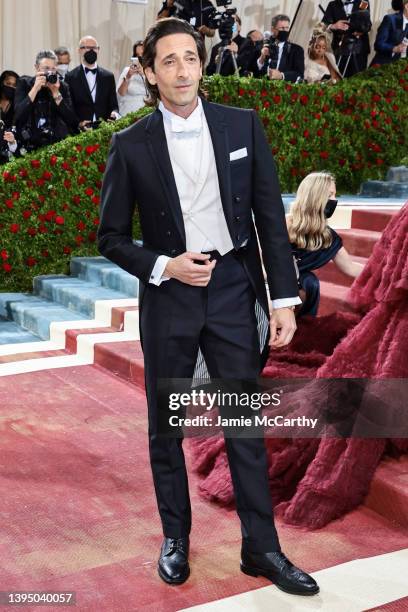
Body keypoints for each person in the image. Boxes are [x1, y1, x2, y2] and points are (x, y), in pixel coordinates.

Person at [98, 16, 319, 597]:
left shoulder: (241, 123)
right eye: (168, 61)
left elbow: (270, 217)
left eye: (190, 58)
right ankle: (175, 538)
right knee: (167, 425)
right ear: (149, 72)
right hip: (170, 295)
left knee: (244, 422)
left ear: (202, 63)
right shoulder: (129, 145)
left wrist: (283, 298)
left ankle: (262, 548)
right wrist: (164, 266)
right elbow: (110, 236)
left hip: (230, 291)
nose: (182, 70)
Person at [287, 172, 363, 316]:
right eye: (329, 196)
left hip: (300, 288)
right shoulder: (283, 225)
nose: (334, 200)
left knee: (310, 282)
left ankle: (303, 329)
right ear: (315, 197)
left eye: (335, 195)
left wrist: (384, 272)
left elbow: (350, 268)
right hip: (270, 286)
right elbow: (261, 265)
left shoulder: (328, 236)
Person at [14, 50, 77, 151]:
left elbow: (72, 120)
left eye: (53, 69)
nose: (50, 72)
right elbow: (18, 115)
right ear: (37, 68)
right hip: (30, 145)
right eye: (46, 68)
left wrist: (56, 93)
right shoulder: (24, 83)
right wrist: (35, 89)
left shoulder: (62, 87)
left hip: (56, 144)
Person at [65, 35, 119, 130]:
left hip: (105, 129)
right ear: (80, 51)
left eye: (94, 48)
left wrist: (114, 114)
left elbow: (114, 105)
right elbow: (69, 107)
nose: (91, 51)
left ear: (98, 50)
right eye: (87, 48)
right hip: (81, 132)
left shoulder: (108, 76)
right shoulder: (70, 77)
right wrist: (79, 123)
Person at [323, 0, 372, 77]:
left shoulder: (363, 2)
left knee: (358, 80)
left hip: (359, 49)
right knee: (337, 79)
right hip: (339, 49)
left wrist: (361, 31)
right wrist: (334, 26)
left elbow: (368, 24)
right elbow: (323, 25)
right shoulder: (332, 4)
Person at [256, 15, 304, 82]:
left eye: (286, 28)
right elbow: (253, 68)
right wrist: (262, 57)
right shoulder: (261, 44)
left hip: (284, 89)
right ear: (273, 29)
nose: (284, 31)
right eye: (282, 28)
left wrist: (281, 76)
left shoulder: (296, 50)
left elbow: (299, 74)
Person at [371, 0, 408, 65]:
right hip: (382, 66)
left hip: (401, 68)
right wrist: (394, 48)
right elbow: (378, 44)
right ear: (406, 6)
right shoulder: (390, 19)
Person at [117, 41, 146, 116]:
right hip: (127, 113)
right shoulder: (127, 70)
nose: (140, 58)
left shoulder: (153, 72)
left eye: (142, 54)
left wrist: (144, 74)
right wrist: (128, 77)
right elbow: (120, 95)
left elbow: (155, 94)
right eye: (137, 55)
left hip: (146, 114)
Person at [0, 70, 19, 163]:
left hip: (8, 152)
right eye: (8, 83)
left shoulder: (16, 105)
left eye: (14, 85)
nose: (11, 87)